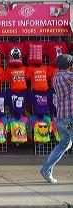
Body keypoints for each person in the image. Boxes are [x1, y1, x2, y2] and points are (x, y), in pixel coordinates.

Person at [40, 54, 73, 183]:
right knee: (65, 144)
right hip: (70, 116)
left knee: (64, 143)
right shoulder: (68, 76)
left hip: (60, 116)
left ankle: (46, 169)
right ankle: (46, 169)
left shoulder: (56, 76)